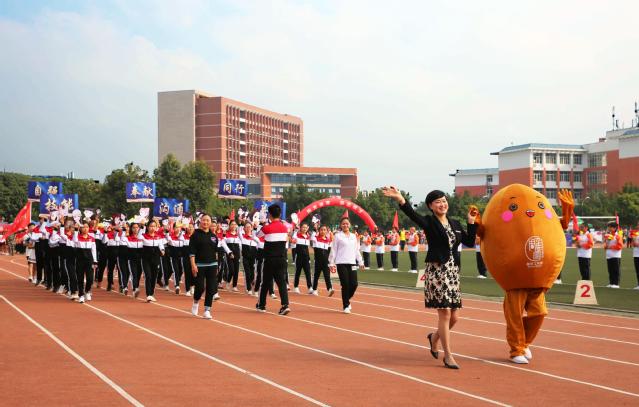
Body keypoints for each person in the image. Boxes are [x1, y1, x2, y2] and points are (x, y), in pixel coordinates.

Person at [383, 186, 476, 369]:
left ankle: (434, 338)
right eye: (438, 202)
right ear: (431, 206)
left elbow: (470, 242)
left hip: (453, 273)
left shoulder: (455, 224)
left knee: (455, 317)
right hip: (437, 271)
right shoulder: (429, 222)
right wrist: (400, 199)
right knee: (445, 313)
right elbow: (412, 214)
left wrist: (471, 222)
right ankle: (448, 355)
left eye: (444, 201)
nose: (442, 204)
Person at [255, 204, 291, 315]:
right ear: (279, 214)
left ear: (269, 215)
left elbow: (258, 235)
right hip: (281, 259)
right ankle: (285, 305)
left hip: (270, 260)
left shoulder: (267, 227)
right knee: (281, 283)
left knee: (265, 282)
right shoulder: (285, 227)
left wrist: (262, 224)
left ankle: (262, 305)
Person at [328, 217, 364, 313]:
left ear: (350, 225)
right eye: (343, 223)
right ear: (341, 225)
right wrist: (331, 262)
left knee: (354, 284)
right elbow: (333, 250)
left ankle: (346, 299)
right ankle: (346, 306)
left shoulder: (353, 236)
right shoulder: (337, 236)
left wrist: (361, 262)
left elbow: (356, 250)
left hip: (352, 263)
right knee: (345, 284)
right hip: (341, 263)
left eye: (347, 223)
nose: (345, 225)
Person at [189, 214, 219, 319]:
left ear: (211, 222)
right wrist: (193, 265)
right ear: (200, 221)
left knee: (211, 288)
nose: (205, 222)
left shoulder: (214, 236)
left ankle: (207, 310)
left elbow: (215, 252)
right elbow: (192, 252)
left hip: (212, 265)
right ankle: (196, 301)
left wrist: (217, 265)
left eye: (208, 220)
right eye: (204, 220)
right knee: (200, 287)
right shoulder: (195, 235)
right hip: (199, 265)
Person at [141, 220, 166, 302]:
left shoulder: (158, 237)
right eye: (151, 226)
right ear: (148, 227)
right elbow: (139, 237)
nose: (152, 228)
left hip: (156, 258)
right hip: (146, 258)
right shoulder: (143, 236)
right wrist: (142, 227)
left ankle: (151, 294)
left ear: (156, 227)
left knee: (154, 276)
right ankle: (148, 294)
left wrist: (162, 250)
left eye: (154, 226)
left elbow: (161, 245)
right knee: (148, 276)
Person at [74, 222, 98, 304]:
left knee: (90, 278)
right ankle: (81, 295)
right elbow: (75, 241)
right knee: (80, 278)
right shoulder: (77, 237)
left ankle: (87, 291)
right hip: (80, 260)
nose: (85, 229)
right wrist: (76, 229)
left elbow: (94, 250)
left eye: (87, 227)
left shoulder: (92, 238)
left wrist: (95, 261)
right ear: (80, 229)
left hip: (89, 260)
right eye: (83, 227)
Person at [311, 224, 335, 296]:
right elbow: (312, 237)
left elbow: (331, 252)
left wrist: (331, 262)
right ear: (319, 231)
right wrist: (315, 229)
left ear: (327, 231)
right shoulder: (316, 239)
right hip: (318, 261)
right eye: (321, 230)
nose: (323, 231)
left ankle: (329, 289)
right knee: (316, 276)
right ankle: (314, 289)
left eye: (324, 230)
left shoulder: (328, 241)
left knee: (327, 275)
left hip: (326, 262)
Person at [221, 220, 242, 292]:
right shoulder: (226, 234)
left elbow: (240, 244)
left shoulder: (238, 235)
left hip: (237, 254)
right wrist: (229, 252)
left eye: (235, 224)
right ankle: (228, 281)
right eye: (232, 224)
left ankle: (234, 286)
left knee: (236, 270)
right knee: (232, 270)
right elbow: (223, 243)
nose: (233, 226)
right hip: (229, 254)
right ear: (229, 226)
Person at [293, 223, 313, 294]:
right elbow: (293, 239)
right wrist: (295, 230)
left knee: (308, 273)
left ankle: (310, 287)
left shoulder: (308, 236)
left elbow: (307, 249)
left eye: (306, 227)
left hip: (306, 258)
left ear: (307, 228)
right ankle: (296, 286)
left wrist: (309, 258)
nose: (304, 229)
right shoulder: (297, 235)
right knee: (298, 272)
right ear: (300, 228)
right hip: (299, 257)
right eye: (303, 227)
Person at [125, 223, 144, 298]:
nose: (135, 229)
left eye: (137, 227)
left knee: (138, 274)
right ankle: (135, 289)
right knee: (134, 274)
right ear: (131, 229)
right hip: (131, 259)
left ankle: (136, 287)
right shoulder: (128, 237)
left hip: (140, 259)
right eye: (133, 227)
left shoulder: (142, 237)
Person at [240, 222, 259, 295]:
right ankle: (249, 288)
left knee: (252, 273)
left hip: (253, 258)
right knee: (247, 273)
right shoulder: (242, 237)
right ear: (244, 229)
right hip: (245, 258)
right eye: (246, 227)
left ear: (251, 228)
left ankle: (252, 280)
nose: (248, 228)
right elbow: (239, 231)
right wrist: (241, 223)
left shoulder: (254, 238)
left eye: (249, 227)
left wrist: (253, 235)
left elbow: (259, 242)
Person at [166, 223, 185, 294]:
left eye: (179, 227)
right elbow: (168, 240)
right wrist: (167, 232)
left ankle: (175, 280)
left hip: (181, 257)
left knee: (181, 270)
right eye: (176, 227)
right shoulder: (170, 236)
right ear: (173, 228)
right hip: (173, 257)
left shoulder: (182, 236)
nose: (178, 229)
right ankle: (177, 286)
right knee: (175, 270)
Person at [604, 221, 622, 288]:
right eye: (608, 227)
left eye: (610, 227)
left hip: (615, 256)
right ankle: (611, 283)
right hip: (609, 256)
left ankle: (616, 284)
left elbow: (620, 246)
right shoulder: (608, 235)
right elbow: (606, 245)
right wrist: (605, 246)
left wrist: (610, 247)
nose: (608, 228)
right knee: (610, 270)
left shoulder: (618, 236)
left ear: (614, 228)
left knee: (615, 270)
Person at [180, 223, 195, 296]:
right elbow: (180, 237)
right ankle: (187, 290)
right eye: (189, 227)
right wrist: (183, 229)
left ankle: (192, 286)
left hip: (194, 258)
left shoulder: (195, 237)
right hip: (186, 258)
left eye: (192, 227)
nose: (190, 228)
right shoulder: (183, 236)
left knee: (194, 273)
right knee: (187, 273)